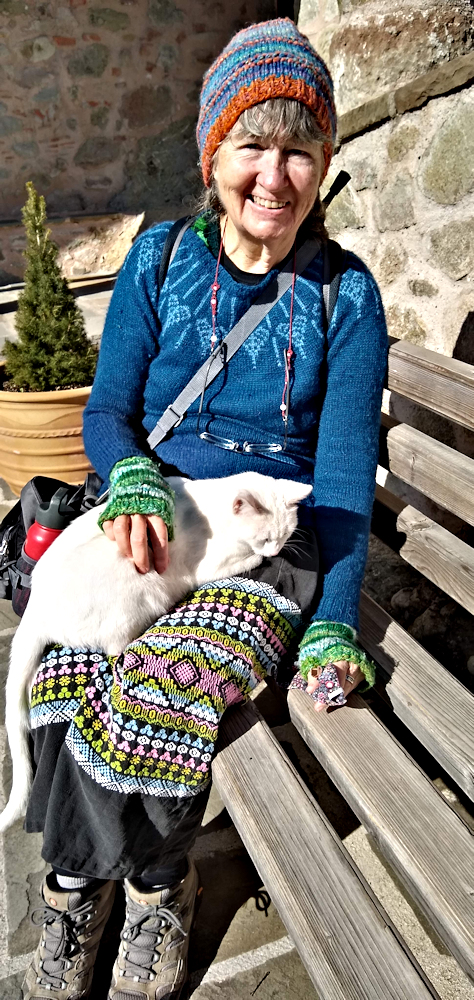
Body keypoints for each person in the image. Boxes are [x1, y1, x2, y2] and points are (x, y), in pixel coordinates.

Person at [20, 18, 387, 1000]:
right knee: (60, 663)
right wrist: (130, 475)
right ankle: (74, 886)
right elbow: (108, 412)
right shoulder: (156, 265)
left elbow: (347, 482)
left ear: (324, 163)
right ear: (212, 152)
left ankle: (151, 889)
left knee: (162, 681)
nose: (275, 174)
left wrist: (333, 626)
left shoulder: (344, 298)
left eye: (299, 149)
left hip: (262, 552)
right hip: (156, 516)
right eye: (252, 146)